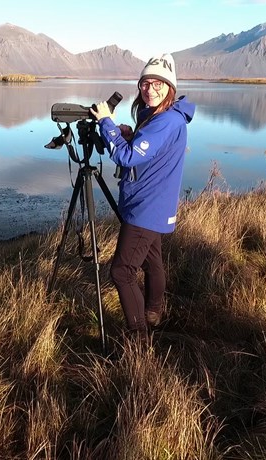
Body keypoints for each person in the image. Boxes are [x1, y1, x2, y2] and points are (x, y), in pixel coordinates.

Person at [90, 53, 195, 341]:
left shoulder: (166, 121)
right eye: (145, 83)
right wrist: (128, 132)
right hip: (154, 204)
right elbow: (144, 149)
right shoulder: (157, 115)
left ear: (170, 87)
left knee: (122, 272)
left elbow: (127, 158)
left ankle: (138, 337)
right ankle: (153, 312)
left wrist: (107, 124)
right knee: (152, 261)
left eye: (158, 84)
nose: (150, 89)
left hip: (146, 207)